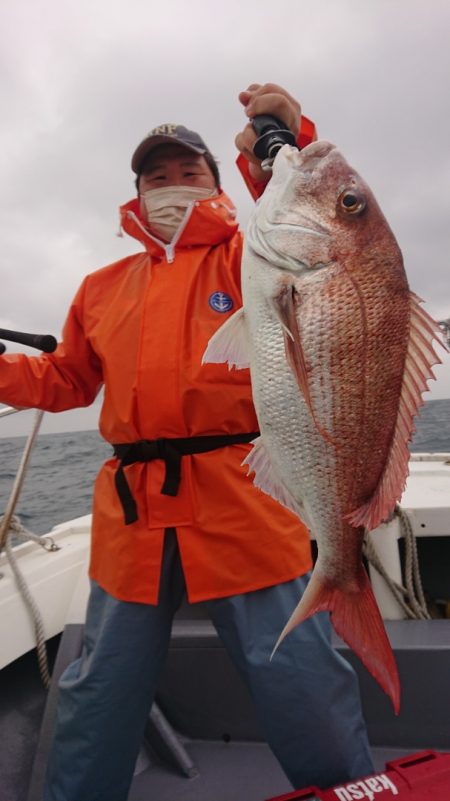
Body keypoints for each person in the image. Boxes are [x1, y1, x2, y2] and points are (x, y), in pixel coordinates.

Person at [0, 83, 374, 800]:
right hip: (133, 516)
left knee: (300, 677)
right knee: (99, 687)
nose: (171, 186)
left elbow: (314, 222)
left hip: (245, 498)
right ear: (136, 193)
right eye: (156, 176)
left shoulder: (254, 255)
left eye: (188, 172)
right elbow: (66, 380)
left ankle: (345, 791)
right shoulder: (102, 286)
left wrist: (283, 141)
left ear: (216, 180)